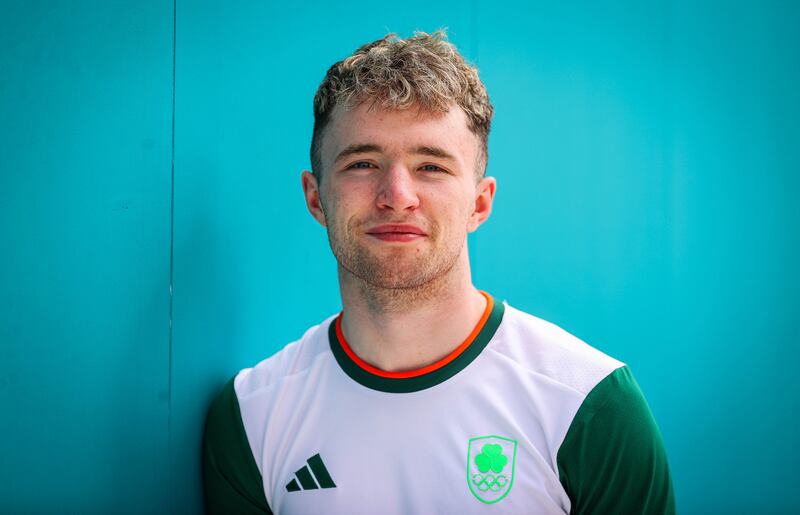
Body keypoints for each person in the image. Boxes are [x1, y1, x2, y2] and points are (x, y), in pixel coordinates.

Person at [202, 30, 675, 514]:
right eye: (363, 163)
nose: (397, 194)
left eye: (431, 166)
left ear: (480, 202)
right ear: (316, 197)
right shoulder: (253, 416)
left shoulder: (588, 406)